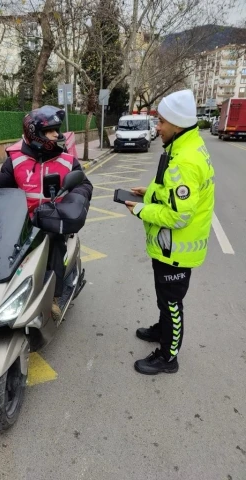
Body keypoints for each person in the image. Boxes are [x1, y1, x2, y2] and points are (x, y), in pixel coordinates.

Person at [125, 89, 215, 375]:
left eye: (162, 121)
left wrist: (141, 210)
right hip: (168, 248)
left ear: (177, 124)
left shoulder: (185, 160)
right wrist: (149, 191)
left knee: (172, 305)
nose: (158, 127)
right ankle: (162, 329)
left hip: (176, 250)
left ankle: (168, 357)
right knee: (165, 300)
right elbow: (171, 193)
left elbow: (178, 215)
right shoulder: (181, 147)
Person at [0, 105, 93, 321]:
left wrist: (74, 202)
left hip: (54, 219)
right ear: (35, 134)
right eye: (51, 131)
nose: (58, 135)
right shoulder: (16, 160)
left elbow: (83, 184)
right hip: (22, 221)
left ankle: (55, 296)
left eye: (57, 130)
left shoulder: (67, 160)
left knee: (55, 248)